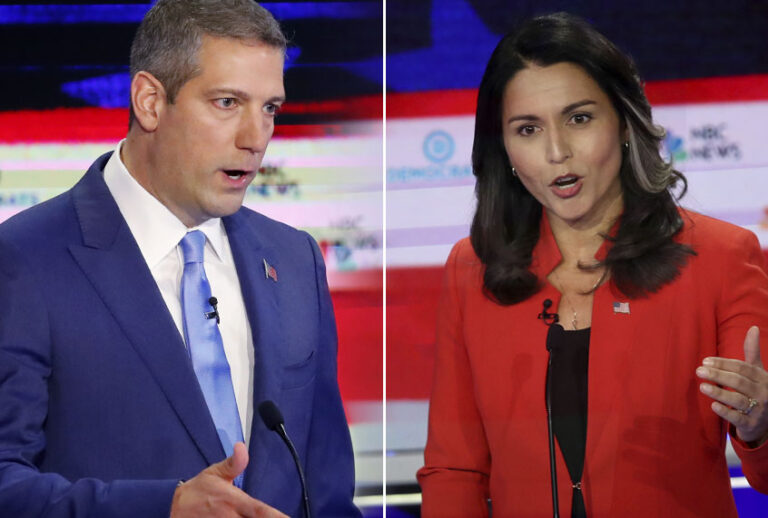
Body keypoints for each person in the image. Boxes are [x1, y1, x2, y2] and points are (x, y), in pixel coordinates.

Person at [0, 1, 360, 517]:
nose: (255, 138)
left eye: (269, 109)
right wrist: (163, 506)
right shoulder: (25, 261)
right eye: (227, 102)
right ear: (149, 101)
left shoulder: (294, 259)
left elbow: (326, 488)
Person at [417, 12, 768, 518]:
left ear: (624, 122)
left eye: (579, 118)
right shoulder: (472, 269)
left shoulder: (721, 256)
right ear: (505, 150)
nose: (557, 152)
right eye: (528, 129)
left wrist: (759, 427)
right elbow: (455, 470)